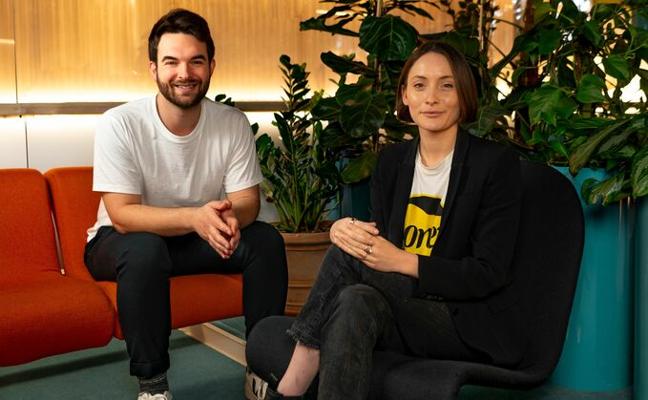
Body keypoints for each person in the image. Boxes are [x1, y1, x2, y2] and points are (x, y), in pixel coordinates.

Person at [245, 41, 525, 400]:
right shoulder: (392, 162)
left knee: (349, 256)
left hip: (459, 320)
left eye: (447, 85)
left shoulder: (494, 165)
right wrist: (340, 228)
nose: (432, 97)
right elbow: (374, 243)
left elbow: (488, 273)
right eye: (420, 85)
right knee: (354, 300)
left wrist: (404, 261)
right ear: (405, 95)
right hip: (400, 310)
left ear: (464, 94)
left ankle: (293, 382)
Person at [84, 9, 287, 400]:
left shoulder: (231, 122)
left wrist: (226, 220)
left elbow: (247, 202)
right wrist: (196, 218)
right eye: (171, 62)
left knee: (265, 241)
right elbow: (123, 215)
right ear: (153, 69)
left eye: (196, 61)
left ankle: (263, 367)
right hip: (120, 241)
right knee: (145, 249)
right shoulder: (119, 123)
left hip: (194, 237)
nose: (184, 73)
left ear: (211, 66)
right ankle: (153, 385)